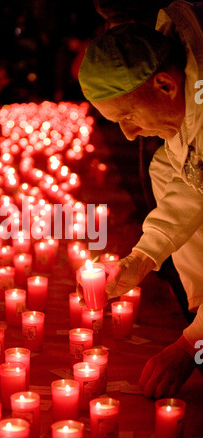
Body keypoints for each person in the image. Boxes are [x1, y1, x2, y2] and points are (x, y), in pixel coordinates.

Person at [77, 0, 203, 399]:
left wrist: (193, 345)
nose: (130, 135)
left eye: (127, 117)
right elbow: (190, 180)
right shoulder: (184, 119)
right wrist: (141, 259)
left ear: (165, 84)